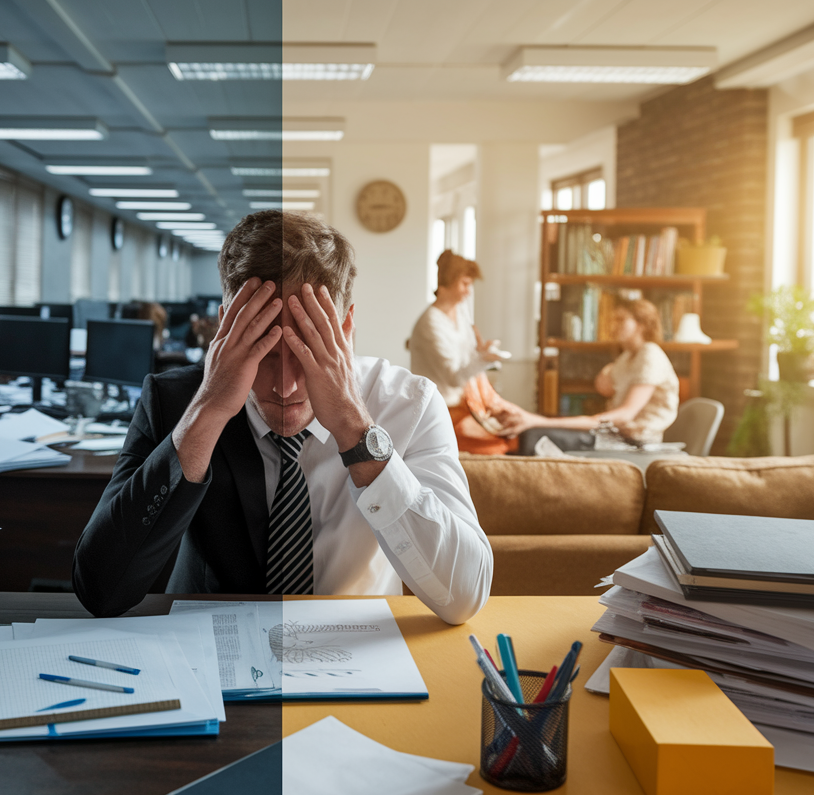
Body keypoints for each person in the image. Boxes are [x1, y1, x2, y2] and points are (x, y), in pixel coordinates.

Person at [73, 211, 492, 624]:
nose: (285, 386)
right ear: (226, 330)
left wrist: (355, 429)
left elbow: (463, 597)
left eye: (307, 353)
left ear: (345, 328)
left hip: (359, 648)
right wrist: (209, 411)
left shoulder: (409, 404)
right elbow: (100, 591)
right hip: (210, 646)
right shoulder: (174, 400)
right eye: (265, 354)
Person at [495, 298, 680, 454]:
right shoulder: (628, 357)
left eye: (622, 320)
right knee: (535, 428)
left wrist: (536, 420)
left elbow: (625, 415)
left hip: (634, 443)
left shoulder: (650, 354)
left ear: (642, 325)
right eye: (614, 320)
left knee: (534, 434)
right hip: (615, 433)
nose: (614, 325)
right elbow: (603, 387)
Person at [407, 250, 515, 454]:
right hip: (441, 410)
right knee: (498, 446)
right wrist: (483, 359)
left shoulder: (460, 313)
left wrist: (481, 351)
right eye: (465, 284)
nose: (469, 291)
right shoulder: (430, 322)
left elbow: (467, 358)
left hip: (463, 404)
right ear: (447, 283)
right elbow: (454, 378)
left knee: (513, 432)